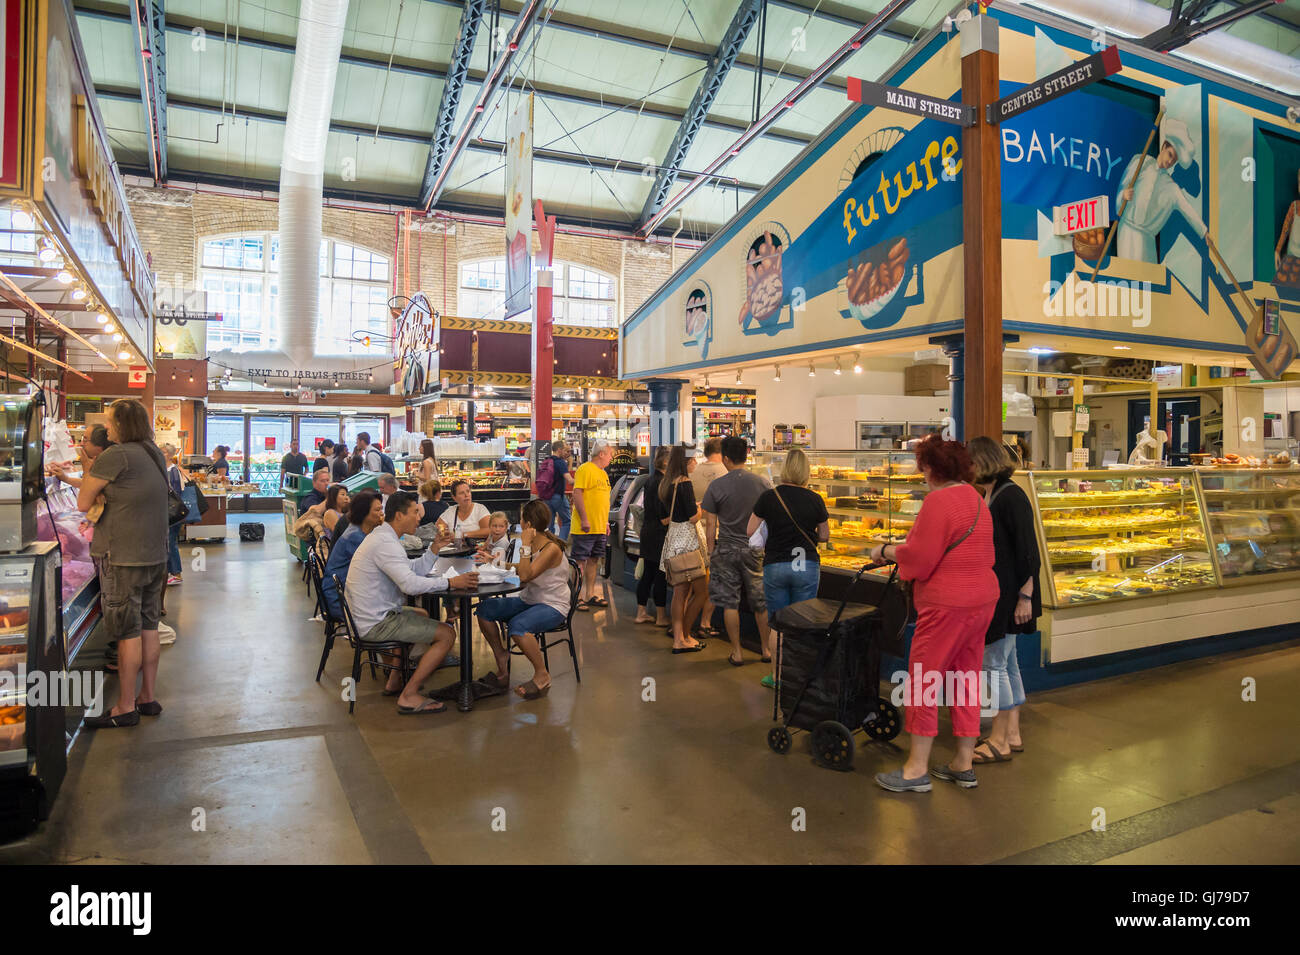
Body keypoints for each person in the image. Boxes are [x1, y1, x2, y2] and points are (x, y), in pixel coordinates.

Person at [870, 435, 998, 793]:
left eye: (921, 465)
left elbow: (921, 559)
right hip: (982, 600)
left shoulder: (939, 501)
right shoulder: (975, 498)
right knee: (965, 679)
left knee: (924, 682)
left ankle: (915, 770)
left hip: (947, 605)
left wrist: (884, 549)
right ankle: (962, 762)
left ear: (930, 467)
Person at [79, 398, 169, 728]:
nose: (107, 428)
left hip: (122, 558)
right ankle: (148, 698)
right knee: (148, 627)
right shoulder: (153, 452)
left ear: (122, 424)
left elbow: (82, 501)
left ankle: (124, 707)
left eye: (110, 421)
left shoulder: (116, 455)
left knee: (127, 633)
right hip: (154, 556)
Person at [344, 491, 477, 714]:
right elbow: (410, 586)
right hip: (374, 623)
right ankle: (409, 695)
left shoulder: (384, 537)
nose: (419, 517)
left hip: (367, 614)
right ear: (398, 516)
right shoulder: (386, 543)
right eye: (415, 512)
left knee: (423, 615)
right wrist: (451, 583)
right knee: (447, 634)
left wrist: (434, 549)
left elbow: (410, 571)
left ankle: (395, 680)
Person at [968, 437, 1038, 765]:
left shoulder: (1010, 496)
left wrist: (1025, 596)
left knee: (993, 665)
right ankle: (1012, 733)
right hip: (1006, 593)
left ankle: (998, 740)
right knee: (1007, 664)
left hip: (1009, 595)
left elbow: (1028, 552)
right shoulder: (996, 493)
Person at [748, 448, 829, 689]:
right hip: (806, 565)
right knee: (804, 623)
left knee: (778, 624)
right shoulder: (815, 499)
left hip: (776, 565)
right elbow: (824, 535)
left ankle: (777, 676)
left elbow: (749, 530)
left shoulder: (769, 497)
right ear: (806, 471)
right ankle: (802, 677)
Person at [476, 499, 571, 701]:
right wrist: (497, 561)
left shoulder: (550, 548)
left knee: (517, 626)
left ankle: (542, 674)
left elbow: (526, 576)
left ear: (527, 524)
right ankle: (502, 656)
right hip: (530, 599)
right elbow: (523, 569)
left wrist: (525, 544)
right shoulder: (538, 543)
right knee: (485, 609)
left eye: (521, 518)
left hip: (553, 605)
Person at [701, 436, 771, 666]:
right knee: (760, 602)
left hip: (727, 549)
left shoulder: (717, 485)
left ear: (726, 458)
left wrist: (711, 552)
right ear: (747, 455)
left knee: (730, 603)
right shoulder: (762, 483)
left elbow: (711, 525)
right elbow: (769, 518)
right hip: (754, 549)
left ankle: (737, 652)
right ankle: (766, 650)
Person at [1114, 119, 1207, 263]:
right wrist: (1123, 195)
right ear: (1164, 146)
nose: (1170, 162)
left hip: (1147, 240)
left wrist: (1204, 232)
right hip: (1127, 233)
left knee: (1147, 282)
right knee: (1128, 276)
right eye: (1170, 154)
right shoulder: (1141, 162)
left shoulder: (1171, 187)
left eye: (1174, 160)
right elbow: (1121, 188)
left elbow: (1187, 209)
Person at [659, 445, 707, 653]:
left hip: (674, 542)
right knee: (702, 592)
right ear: (686, 462)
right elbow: (692, 517)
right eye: (694, 459)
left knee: (680, 593)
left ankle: (679, 638)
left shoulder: (667, 483)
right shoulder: (685, 483)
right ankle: (685, 635)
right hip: (688, 543)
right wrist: (702, 509)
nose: (696, 462)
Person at [321, 490, 383, 619]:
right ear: (364, 513)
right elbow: (377, 568)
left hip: (346, 595)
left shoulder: (358, 530)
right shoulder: (355, 537)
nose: (382, 514)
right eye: (377, 510)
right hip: (341, 602)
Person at [571, 441, 614, 610]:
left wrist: (604, 522)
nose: (611, 458)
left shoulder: (603, 473)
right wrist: (584, 519)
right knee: (580, 562)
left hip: (599, 526)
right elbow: (577, 494)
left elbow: (602, 500)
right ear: (601, 454)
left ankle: (589, 595)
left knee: (594, 560)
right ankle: (577, 597)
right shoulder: (585, 469)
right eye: (610, 454)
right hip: (585, 527)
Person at [691, 437, 727, 637]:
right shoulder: (725, 472)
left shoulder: (694, 471)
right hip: (717, 532)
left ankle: (688, 620)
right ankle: (705, 622)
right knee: (715, 580)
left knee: (696, 578)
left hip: (695, 529)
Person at [633, 447, 670, 627]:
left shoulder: (649, 480)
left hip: (647, 532)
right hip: (659, 535)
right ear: (666, 462)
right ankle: (661, 616)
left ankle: (641, 612)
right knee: (660, 576)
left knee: (647, 574)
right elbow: (664, 518)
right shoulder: (663, 483)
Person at [50, 425, 114, 489]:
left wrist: (86, 471)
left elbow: (88, 489)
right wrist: (65, 478)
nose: (81, 444)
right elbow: (85, 483)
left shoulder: (107, 471)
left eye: (85, 440)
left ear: (99, 447)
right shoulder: (101, 466)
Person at [161, 443, 189, 588]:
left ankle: (176, 573)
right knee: (168, 541)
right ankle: (170, 572)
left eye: (164, 452)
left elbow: (175, 493)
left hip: (172, 513)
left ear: (170, 455)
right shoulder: (165, 469)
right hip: (166, 512)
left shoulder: (173, 471)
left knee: (171, 541)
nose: (161, 453)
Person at [544, 443, 573, 539]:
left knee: (549, 524)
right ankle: (560, 546)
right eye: (566, 451)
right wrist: (585, 481)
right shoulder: (560, 462)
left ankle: (550, 547)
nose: (568, 453)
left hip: (546, 496)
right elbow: (570, 480)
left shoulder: (547, 460)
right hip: (557, 495)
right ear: (559, 450)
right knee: (567, 521)